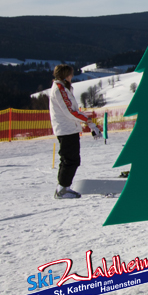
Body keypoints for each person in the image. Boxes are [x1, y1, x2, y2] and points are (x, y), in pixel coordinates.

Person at [49, 64, 101, 199]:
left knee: (70, 159)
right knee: (70, 159)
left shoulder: (63, 88)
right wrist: (88, 121)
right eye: (70, 74)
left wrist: (88, 123)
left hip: (69, 128)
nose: (72, 76)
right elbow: (70, 111)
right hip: (66, 129)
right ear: (66, 75)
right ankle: (62, 189)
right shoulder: (60, 89)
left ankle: (63, 187)